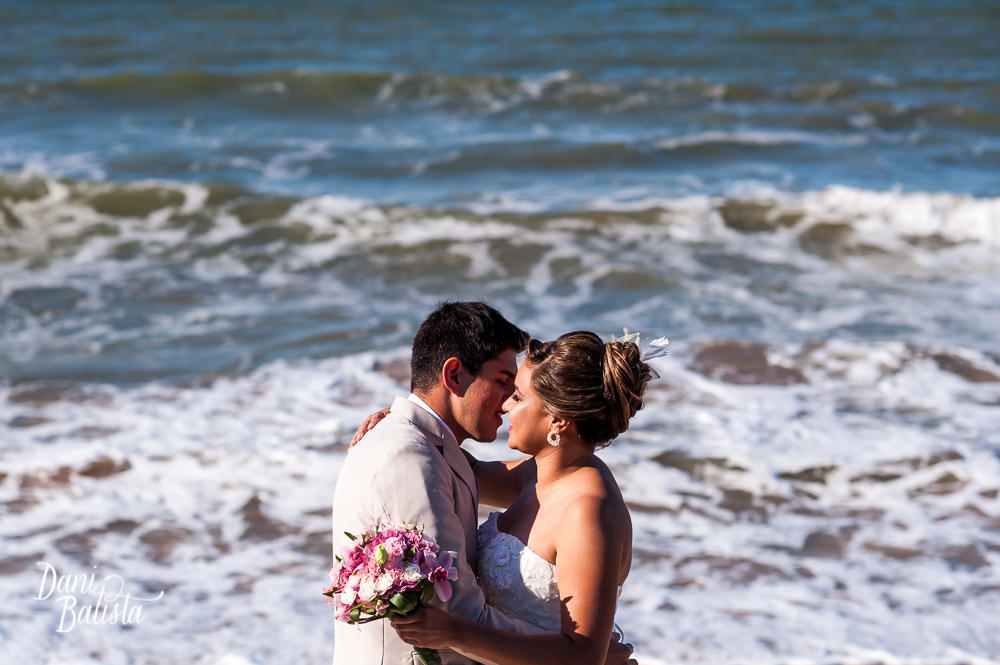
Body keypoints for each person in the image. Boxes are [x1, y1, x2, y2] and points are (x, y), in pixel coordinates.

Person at [332, 302, 635, 665]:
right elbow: (441, 463)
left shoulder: (588, 508)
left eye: (517, 395)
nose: (506, 404)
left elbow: (583, 654)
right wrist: (405, 418)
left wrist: (457, 632)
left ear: (558, 420)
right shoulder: (530, 477)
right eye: (505, 386)